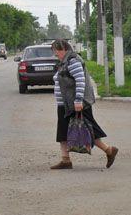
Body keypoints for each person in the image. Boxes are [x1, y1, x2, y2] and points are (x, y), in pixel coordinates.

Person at [50, 39, 118, 170]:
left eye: (56, 51)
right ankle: (65, 160)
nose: (55, 54)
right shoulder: (64, 62)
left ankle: (109, 150)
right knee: (63, 132)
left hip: (76, 104)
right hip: (65, 104)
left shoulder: (73, 61)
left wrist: (78, 101)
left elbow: (81, 81)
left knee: (87, 130)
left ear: (63, 48)